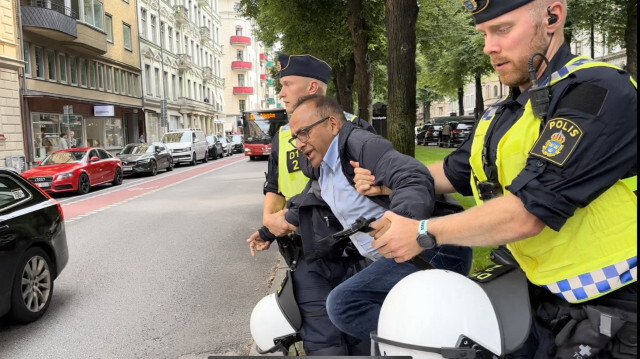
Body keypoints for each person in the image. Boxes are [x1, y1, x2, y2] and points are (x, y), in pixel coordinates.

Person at [352, 0, 637, 357]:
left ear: (553, 16)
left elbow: (529, 212)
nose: (489, 46)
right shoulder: (504, 112)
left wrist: (424, 232)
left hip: (614, 306)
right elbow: (456, 172)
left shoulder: (596, 89)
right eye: (484, 34)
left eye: (503, 29)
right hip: (534, 293)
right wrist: (390, 182)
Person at [286, 94, 472, 345]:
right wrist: (269, 229)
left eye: (304, 133)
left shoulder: (360, 145)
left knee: (343, 304)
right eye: (295, 137)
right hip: (408, 253)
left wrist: (403, 223)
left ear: (332, 124)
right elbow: (312, 200)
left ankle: (429, 348)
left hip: (434, 246)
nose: (299, 143)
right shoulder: (323, 167)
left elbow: (413, 177)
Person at [246, 54, 373, 356]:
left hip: (354, 252)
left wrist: (283, 220)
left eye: (288, 84)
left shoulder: (356, 129)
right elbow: (275, 189)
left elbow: (361, 190)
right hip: (307, 257)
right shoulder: (282, 136)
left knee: (362, 335)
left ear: (313, 87)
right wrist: (269, 227)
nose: (282, 92)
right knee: (321, 341)